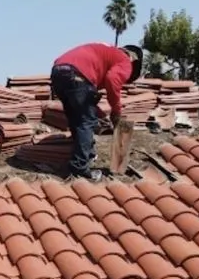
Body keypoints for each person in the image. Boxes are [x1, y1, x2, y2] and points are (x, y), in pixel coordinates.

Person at [50, 42, 143, 181]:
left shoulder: (106, 54)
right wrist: (116, 111)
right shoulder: (125, 61)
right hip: (77, 75)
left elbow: (84, 97)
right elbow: (112, 79)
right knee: (86, 122)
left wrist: (98, 111)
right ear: (134, 60)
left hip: (58, 72)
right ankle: (79, 168)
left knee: (77, 119)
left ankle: (87, 156)